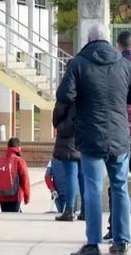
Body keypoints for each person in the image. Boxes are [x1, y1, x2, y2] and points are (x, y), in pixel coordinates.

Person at [56, 22, 131, 255]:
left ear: (88, 40)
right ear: (108, 39)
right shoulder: (124, 64)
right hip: (119, 134)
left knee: (93, 188)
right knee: (120, 187)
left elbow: (64, 96)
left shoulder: (79, 63)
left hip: (90, 135)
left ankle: (93, 244)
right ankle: (122, 241)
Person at [103, 30, 131, 241]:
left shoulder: (116, 67)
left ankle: (116, 229)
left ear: (119, 45)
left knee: (118, 182)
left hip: (120, 130)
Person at [52, 97, 85, 222]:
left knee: (71, 174)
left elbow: (56, 117)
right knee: (83, 176)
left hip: (68, 140)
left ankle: (69, 210)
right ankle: (85, 210)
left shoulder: (66, 95)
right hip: (83, 138)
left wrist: (60, 125)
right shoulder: (87, 91)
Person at [0, 137, 30, 212]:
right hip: (15, 196)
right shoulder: (19, 161)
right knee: (14, 219)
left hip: (1, 195)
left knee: (5, 216)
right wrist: (27, 197)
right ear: (19, 148)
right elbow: (25, 179)